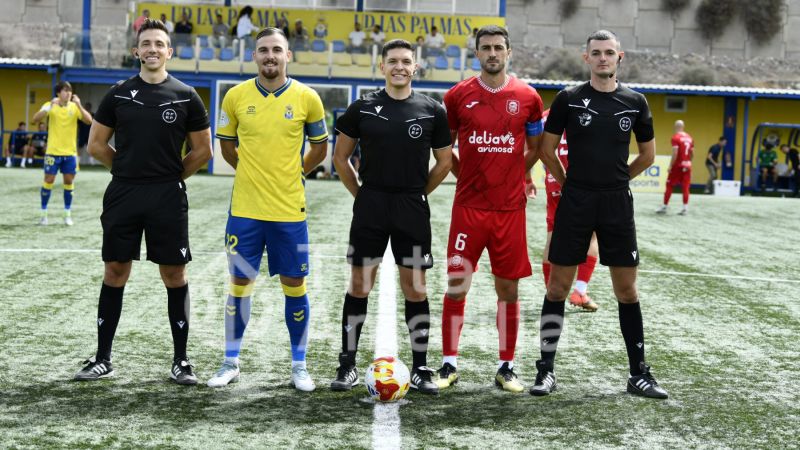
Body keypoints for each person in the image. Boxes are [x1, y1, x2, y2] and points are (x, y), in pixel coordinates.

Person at [73, 19, 212, 384]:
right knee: (115, 271)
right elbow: (96, 145)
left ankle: (181, 360)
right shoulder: (118, 93)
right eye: (146, 43)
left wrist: (171, 177)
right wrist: (127, 172)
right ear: (136, 51)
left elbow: (203, 151)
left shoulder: (186, 95)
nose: (153, 49)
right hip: (124, 193)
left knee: (174, 274)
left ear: (170, 51)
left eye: (159, 44)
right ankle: (103, 358)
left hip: (167, 196)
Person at [532, 29, 667, 399]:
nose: (603, 58)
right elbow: (546, 150)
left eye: (609, 52)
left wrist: (618, 181)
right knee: (557, 287)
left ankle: (639, 374)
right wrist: (569, 183)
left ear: (619, 57)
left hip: (616, 204)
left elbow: (648, 156)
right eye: (596, 53)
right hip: (576, 202)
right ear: (586, 58)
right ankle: (545, 371)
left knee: (627, 290)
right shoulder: (569, 99)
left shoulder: (635, 101)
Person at [208, 27, 329, 392]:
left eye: (277, 49)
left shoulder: (307, 97)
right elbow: (226, 147)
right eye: (263, 50)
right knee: (240, 283)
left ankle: (299, 365)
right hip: (245, 209)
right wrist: (250, 171)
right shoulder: (235, 96)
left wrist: (296, 173)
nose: (270, 56)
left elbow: (320, 148)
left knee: (294, 283)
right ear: (255, 56)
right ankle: (230, 361)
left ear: (288, 55)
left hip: (289, 211)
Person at [329, 39, 452, 394]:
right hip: (371, 204)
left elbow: (444, 162)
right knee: (359, 285)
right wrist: (362, 195)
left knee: (415, 287)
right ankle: (347, 365)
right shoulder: (362, 107)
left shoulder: (432, 110)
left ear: (415, 67)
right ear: (381, 66)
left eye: (406, 61)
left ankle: (421, 367)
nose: (400, 67)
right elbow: (340, 158)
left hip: (411, 208)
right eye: (393, 61)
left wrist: (418, 194)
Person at [436, 25, 544, 393]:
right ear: (477, 53)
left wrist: (514, 175)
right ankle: (449, 363)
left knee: (508, 290)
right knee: (456, 286)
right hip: (468, 207)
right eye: (486, 47)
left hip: (509, 210)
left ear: (509, 52)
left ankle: (506, 366)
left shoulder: (528, 97)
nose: (492, 53)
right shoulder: (457, 96)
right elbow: (444, 148)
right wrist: (465, 176)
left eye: (498, 47)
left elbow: (535, 147)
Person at [538, 109, 599, 312]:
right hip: (581, 183)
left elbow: (534, 146)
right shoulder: (586, 110)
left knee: (552, 237)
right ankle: (579, 292)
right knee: (591, 236)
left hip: (554, 181)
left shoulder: (545, 116)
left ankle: (551, 292)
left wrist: (528, 179)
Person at [31, 81, 92, 225]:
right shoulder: (50, 105)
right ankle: (44, 215)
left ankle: (67, 214)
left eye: (69, 90)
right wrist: (48, 108)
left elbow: (89, 121)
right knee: (48, 180)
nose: (68, 93)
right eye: (65, 90)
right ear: (58, 93)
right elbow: (35, 120)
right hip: (52, 152)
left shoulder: (74, 107)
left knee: (69, 182)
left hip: (70, 153)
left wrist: (79, 105)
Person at [656, 120, 694, 215]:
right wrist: (688, 162)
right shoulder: (690, 138)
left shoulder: (675, 137)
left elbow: (675, 153)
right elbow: (692, 153)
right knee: (686, 187)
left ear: (675, 127)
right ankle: (685, 208)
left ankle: (664, 206)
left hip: (678, 166)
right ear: (683, 127)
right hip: (687, 165)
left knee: (669, 185)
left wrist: (670, 165)